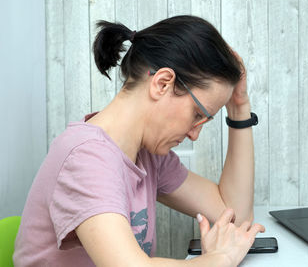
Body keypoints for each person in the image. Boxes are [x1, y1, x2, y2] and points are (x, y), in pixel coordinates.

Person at [13, 15, 265, 267]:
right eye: (197, 115)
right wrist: (221, 259)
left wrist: (239, 107)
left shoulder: (149, 155)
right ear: (162, 83)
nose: (194, 134)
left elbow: (235, 213)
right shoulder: (86, 158)